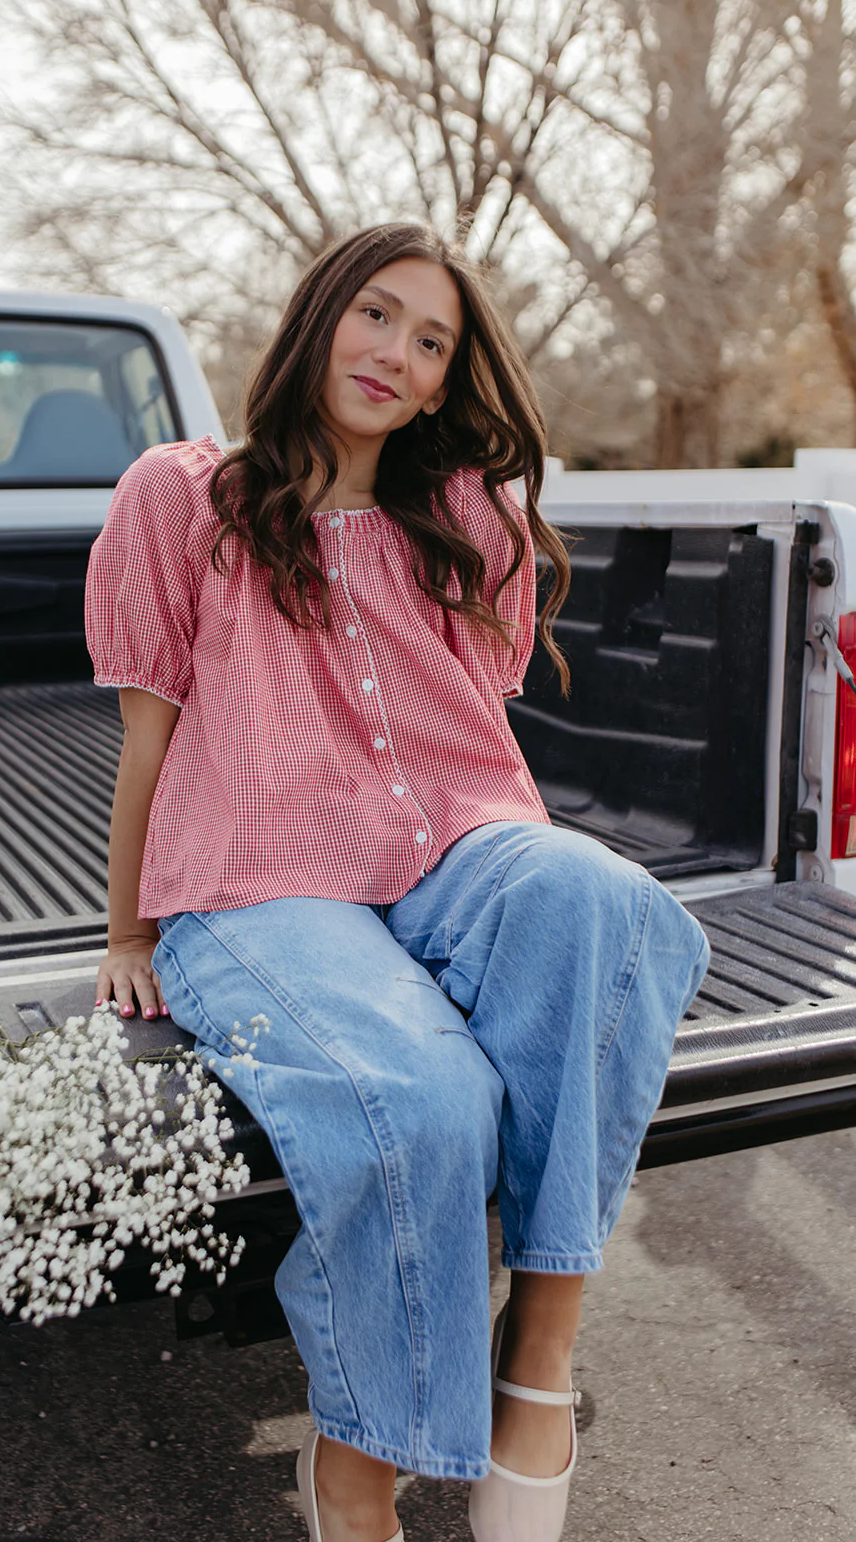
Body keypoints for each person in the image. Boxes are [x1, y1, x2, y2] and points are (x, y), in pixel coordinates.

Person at [85, 222, 710, 1542]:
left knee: (601, 898)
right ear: (318, 316)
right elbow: (148, 724)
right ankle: (360, 1455)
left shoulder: (462, 511)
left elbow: (457, 718)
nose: (396, 352)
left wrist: (487, 499)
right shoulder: (180, 494)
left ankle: (537, 1352)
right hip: (259, 878)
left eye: (430, 343)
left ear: (441, 385)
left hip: (448, 846)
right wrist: (129, 923)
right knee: (423, 1095)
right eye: (376, 315)